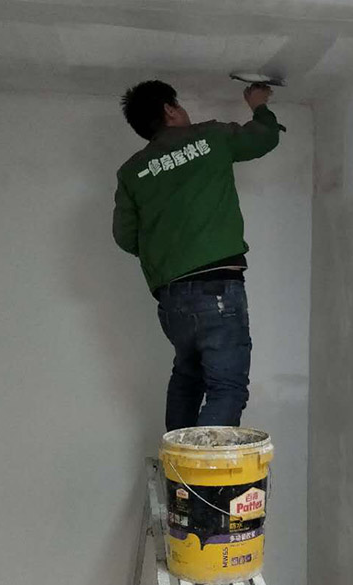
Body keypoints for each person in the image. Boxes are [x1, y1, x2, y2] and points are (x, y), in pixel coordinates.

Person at [113, 80, 284, 431]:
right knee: (227, 388)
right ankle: (202, 466)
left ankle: (176, 462)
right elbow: (263, 138)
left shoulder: (133, 171)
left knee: (188, 379)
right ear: (170, 109)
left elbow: (125, 236)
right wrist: (258, 105)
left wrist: (166, 249)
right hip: (217, 288)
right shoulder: (209, 138)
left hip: (172, 298)